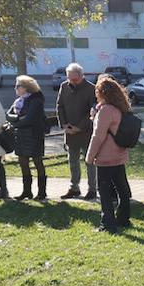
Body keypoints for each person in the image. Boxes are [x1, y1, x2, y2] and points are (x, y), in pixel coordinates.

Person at [85, 75, 132, 233]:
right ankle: (124, 219)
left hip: (105, 157)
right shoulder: (121, 107)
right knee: (122, 189)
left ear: (101, 93)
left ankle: (108, 223)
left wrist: (90, 156)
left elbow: (98, 136)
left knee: (104, 192)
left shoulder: (105, 110)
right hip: (120, 155)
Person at [55, 63, 97, 201]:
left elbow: (92, 111)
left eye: (75, 79)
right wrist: (64, 125)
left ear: (81, 75)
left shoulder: (91, 88)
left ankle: (92, 189)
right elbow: (59, 107)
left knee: (90, 161)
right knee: (72, 161)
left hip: (85, 132)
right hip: (69, 131)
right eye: (69, 79)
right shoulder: (64, 86)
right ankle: (74, 187)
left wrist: (80, 127)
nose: (72, 82)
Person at [6, 75, 48, 201]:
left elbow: (30, 118)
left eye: (18, 86)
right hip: (21, 134)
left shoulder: (36, 100)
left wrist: (16, 122)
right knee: (23, 162)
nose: (15, 88)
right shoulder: (18, 100)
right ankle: (27, 191)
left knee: (37, 161)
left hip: (34, 134)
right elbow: (8, 115)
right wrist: (17, 119)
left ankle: (42, 192)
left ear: (26, 87)